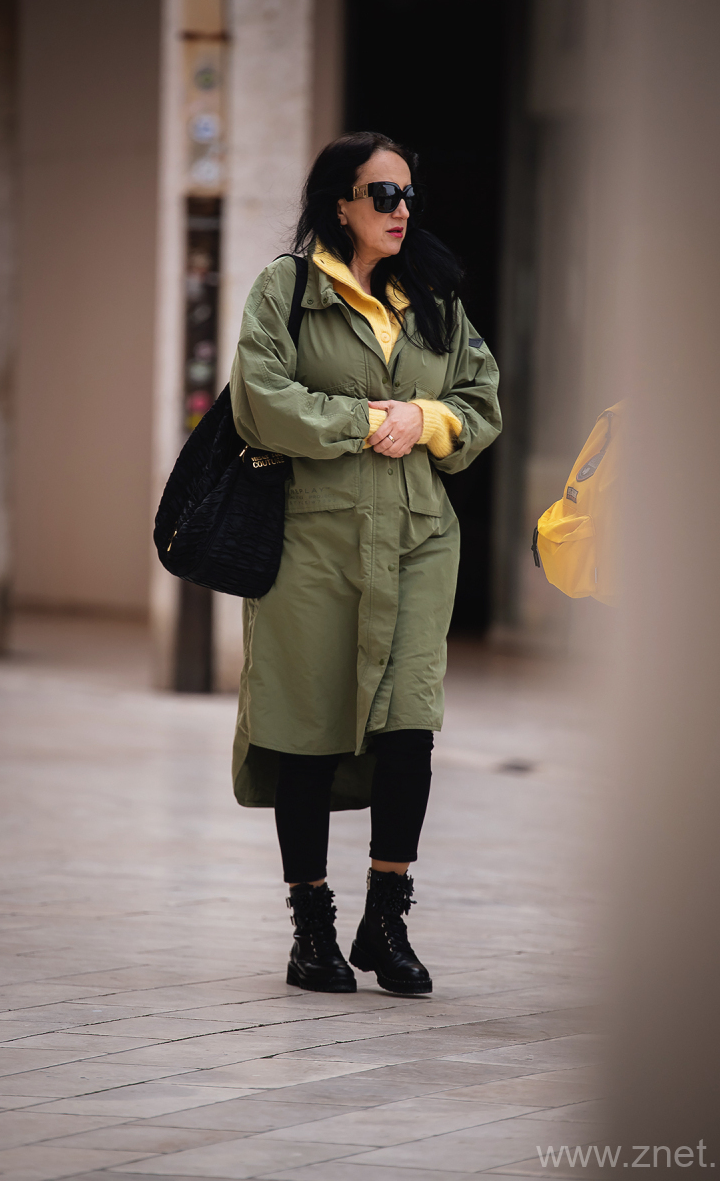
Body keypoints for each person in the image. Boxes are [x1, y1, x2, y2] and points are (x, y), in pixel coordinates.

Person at [229, 131, 501, 996]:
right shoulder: (286, 290)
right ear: (339, 204)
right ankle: (312, 926)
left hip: (419, 537)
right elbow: (260, 401)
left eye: (408, 194)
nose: (401, 209)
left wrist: (428, 419)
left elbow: (480, 401)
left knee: (410, 725)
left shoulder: (435, 298)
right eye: (383, 194)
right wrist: (364, 422)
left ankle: (387, 921)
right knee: (306, 727)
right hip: (312, 542)